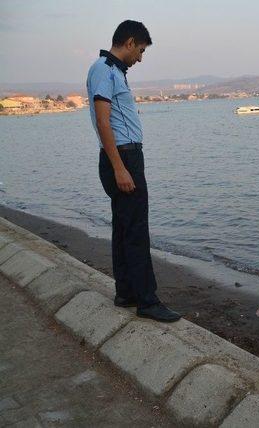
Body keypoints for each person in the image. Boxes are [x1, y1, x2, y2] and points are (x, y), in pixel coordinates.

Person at [86, 20, 181, 322]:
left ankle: (126, 292)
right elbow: (103, 122)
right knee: (136, 230)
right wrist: (119, 168)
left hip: (124, 157)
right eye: (140, 50)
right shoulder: (104, 69)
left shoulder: (114, 72)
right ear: (129, 42)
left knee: (124, 227)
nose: (140, 58)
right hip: (123, 158)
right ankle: (147, 301)